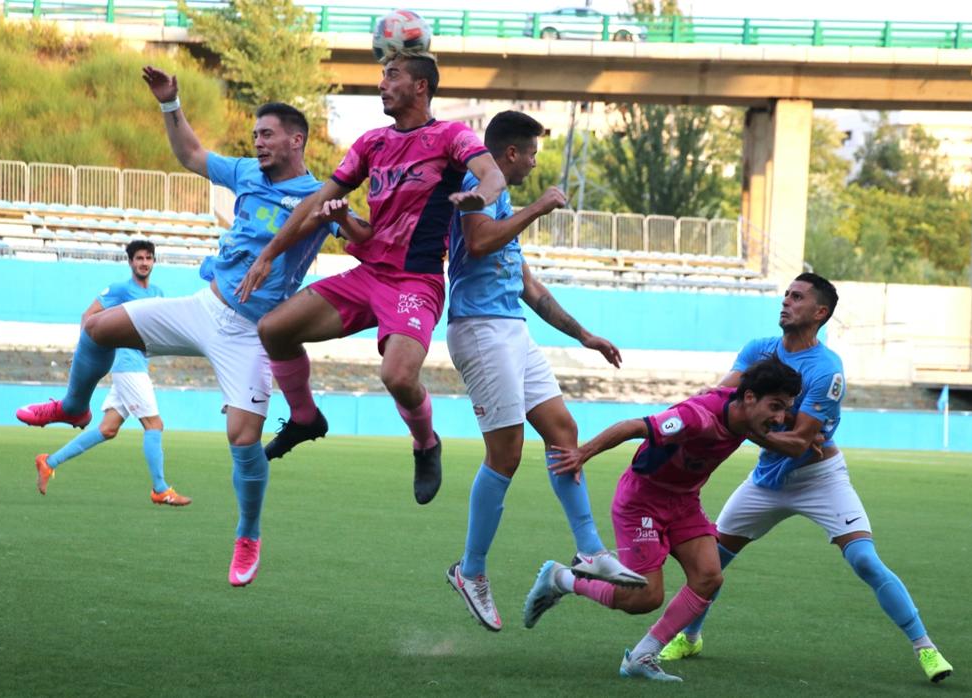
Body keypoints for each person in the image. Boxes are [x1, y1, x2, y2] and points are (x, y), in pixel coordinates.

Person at [14, 65, 344, 587]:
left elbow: (364, 236)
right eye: (254, 134)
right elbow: (191, 155)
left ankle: (248, 535)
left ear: (295, 139)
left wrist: (345, 217)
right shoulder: (245, 174)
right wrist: (170, 103)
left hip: (252, 335)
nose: (257, 142)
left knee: (243, 440)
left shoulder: (321, 195)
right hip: (203, 307)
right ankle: (75, 408)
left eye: (267, 134)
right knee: (98, 328)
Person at [658, 273, 954, 684]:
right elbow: (719, 402)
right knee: (712, 563)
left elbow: (797, 445)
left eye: (797, 297)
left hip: (819, 477)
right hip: (765, 479)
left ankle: (927, 649)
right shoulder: (760, 351)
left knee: (865, 559)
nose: (785, 302)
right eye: (785, 295)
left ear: (820, 312)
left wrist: (759, 429)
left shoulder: (827, 370)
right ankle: (690, 637)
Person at [239, 52, 506, 505]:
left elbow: (493, 174)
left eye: (392, 75)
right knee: (273, 329)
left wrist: (479, 197)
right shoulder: (372, 143)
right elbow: (314, 204)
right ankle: (305, 418)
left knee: (398, 376)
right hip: (367, 275)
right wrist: (268, 255)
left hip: (415, 283)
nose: (382, 83)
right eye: (382, 75)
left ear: (421, 86)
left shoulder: (450, 136)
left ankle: (426, 443)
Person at [441, 111, 646, 632]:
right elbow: (480, 241)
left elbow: (529, 286)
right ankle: (471, 572)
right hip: (481, 329)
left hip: (510, 328)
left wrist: (584, 335)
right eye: (530, 152)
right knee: (505, 455)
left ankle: (589, 551)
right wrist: (539, 207)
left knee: (563, 432)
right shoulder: (477, 184)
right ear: (510, 153)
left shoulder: (504, 199)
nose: (534, 161)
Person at [523, 358, 803, 682]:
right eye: (776, 407)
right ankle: (563, 579)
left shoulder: (747, 417)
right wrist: (582, 453)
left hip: (684, 502)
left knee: (709, 577)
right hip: (641, 501)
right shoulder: (695, 417)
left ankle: (642, 656)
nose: (781, 418)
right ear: (750, 397)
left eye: (786, 409)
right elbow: (634, 427)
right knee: (645, 597)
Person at [29, 241, 190, 506]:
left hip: (138, 364)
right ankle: (160, 489)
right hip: (126, 365)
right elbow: (89, 315)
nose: (144, 262)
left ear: (153, 262)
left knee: (107, 429)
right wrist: (84, 352)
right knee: (154, 425)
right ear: (130, 262)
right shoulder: (119, 290)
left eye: (149, 258)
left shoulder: (158, 293)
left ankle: (48, 462)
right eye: (139, 258)